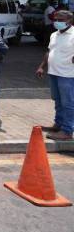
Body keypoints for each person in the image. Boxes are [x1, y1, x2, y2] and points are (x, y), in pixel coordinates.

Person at [36, 10, 74, 140]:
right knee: (58, 101)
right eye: (55, 19)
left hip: (68, 75)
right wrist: (42, 66)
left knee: (68, 103)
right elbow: (49, 51)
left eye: (60, 20)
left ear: (69, 21)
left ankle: (67, 131)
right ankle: (58, 124)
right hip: (53, 72)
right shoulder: (54, 35)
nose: (57, 22)